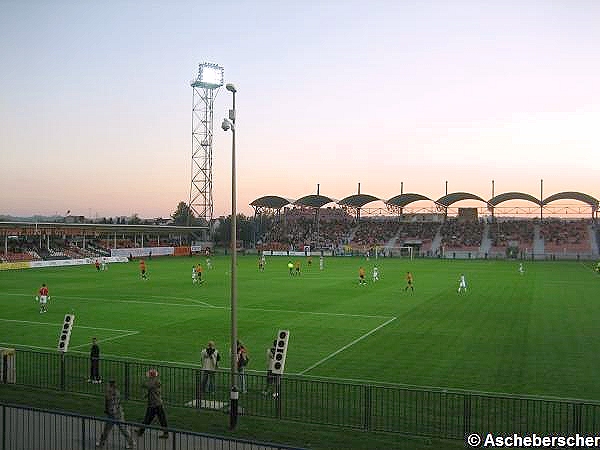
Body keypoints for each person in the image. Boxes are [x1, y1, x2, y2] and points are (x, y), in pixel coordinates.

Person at [95, 380, 134, 449]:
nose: (107, 387)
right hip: (113, 415)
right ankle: (101, 443)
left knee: (123, 429)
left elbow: (111, 404)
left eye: (108, 386)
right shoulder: (112, 393)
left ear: (111, 387)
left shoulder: (113, 394)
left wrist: (108, 408)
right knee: (106, 430)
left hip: (117, 415)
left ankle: (131, 443)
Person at [136, 369, 168, 439]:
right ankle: (165, 433)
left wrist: (142, 381)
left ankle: (140, 431)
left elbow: (145, 385)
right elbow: (152, 390)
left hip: (154, 404)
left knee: (148, 419)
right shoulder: (156, 381)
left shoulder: (153, 382)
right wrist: (147, 395)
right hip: (157, 403)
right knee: (161, 419)